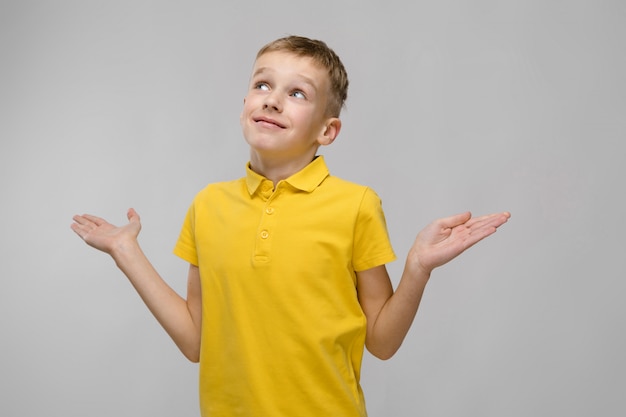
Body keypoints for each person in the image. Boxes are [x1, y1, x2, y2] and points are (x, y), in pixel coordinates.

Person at [71, 35, 510, 417]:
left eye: (298, 93)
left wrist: (417, 268)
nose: (272, 99)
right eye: (262, 84)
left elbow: (381, 341)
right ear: (244, 103)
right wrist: (125, 251)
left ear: (327, 130)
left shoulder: (356, 205)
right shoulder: (208, 205)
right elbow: (195, 342)